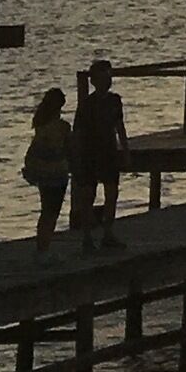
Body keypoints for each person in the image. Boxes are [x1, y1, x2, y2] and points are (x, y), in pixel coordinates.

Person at [71, 57, 127, 248]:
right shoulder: (87, 104)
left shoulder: (115, 100)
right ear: (94, 81)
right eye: (103, 77)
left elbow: (120, 126)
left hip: (109, 151)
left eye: (109, 77)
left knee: (112, 193)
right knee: (88, 196)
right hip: (90, 153)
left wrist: (125, 149)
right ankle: (87, 236)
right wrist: (76, 157)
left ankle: (108, 233)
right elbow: (78, 132)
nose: (107, 81)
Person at [23, 85, 72, 250]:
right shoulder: (63, 127)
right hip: (58, 173)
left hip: (43, 174)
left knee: (46, 211)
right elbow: (68, 150)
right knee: (53, 212)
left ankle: (41, 246)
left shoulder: (40, 126)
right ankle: (44, 247)